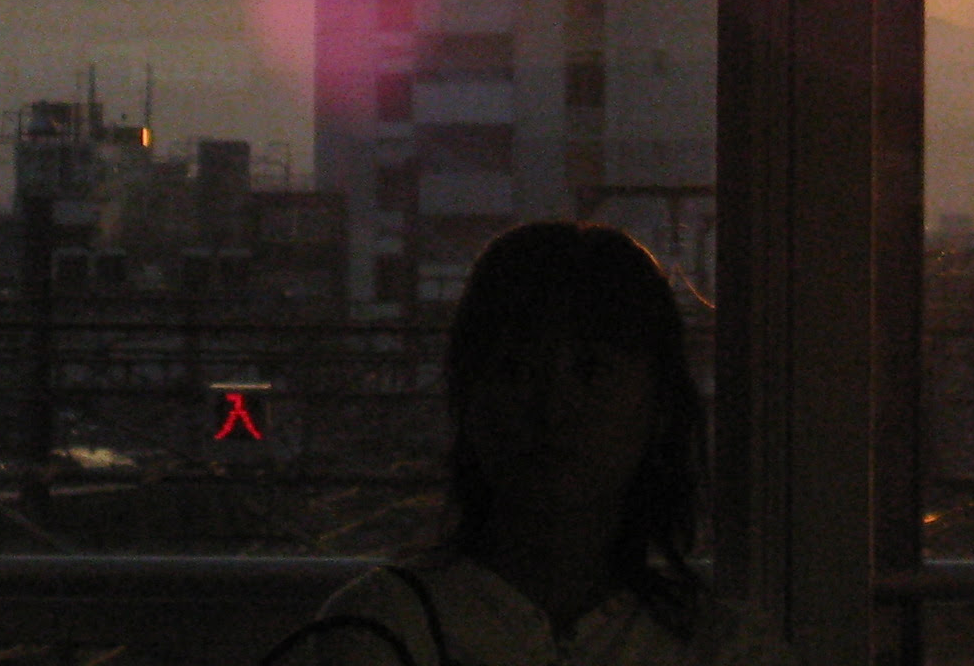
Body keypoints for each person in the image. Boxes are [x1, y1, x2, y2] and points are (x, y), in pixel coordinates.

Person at [271, 223, 786, 666]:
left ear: (659, 405)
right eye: (515, 370)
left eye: (590, 372)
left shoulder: (728, 646)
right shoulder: (378, 632)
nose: (551, 408)